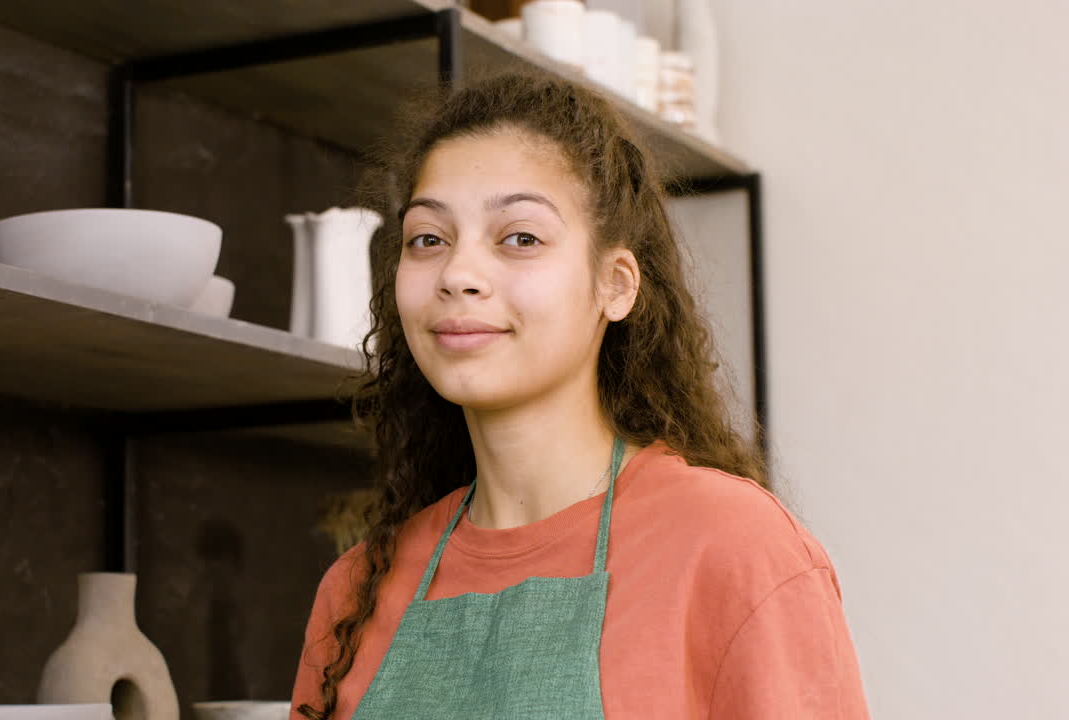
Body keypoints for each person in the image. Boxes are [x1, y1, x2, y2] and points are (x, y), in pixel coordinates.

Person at [290, 70, 870, 719]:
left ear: (615, 285)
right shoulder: (356, 591)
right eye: (429, 239)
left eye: (521, 238)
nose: (458, 274)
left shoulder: (733, 548)